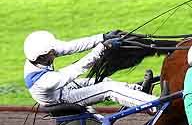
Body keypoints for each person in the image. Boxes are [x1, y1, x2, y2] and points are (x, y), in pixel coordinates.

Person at [23, 30, 157, 109]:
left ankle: (139, 91)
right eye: (51, 52)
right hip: (62, 99)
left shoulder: (40, 57)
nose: (55, 52)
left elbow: (72, 46)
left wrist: (102, 37)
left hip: (62, 89)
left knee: (102, 81)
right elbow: (78, 68)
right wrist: (102, 48)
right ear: (41, 57)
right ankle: (154, 105)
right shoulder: (42, 80)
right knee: (108, 89)